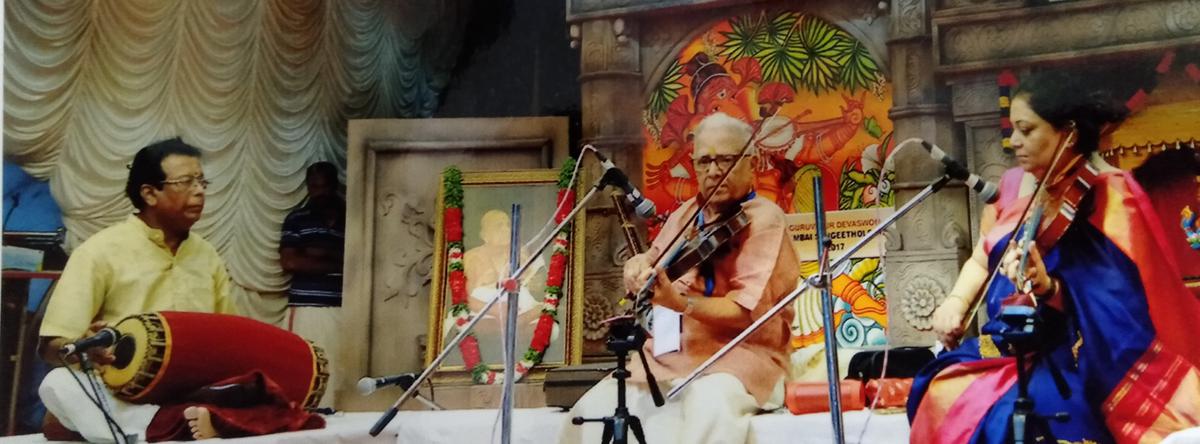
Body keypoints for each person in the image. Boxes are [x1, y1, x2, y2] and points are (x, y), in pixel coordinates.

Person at [909, 71, 1200, 443]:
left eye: (1027, 130)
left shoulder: (1111, 194)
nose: (1014, 141)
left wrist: (1048, 287)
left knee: (999, 416)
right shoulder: (1015, 185)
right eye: (1013, 129)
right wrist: (956, 301)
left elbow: (1117, 306)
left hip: (1076, 355)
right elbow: (984, 257)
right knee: (936, 384)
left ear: (1069, 132)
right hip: (1009, 343)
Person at [36, 138, 321, 442]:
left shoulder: (207, 256)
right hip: (123, 393)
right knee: (58, 383)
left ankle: (167, 425)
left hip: (195, 393)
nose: (199, 191)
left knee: (260, 389)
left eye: (201, 181)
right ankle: (161, 426)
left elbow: (230, 336)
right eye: (186, 182)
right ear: (149, 193)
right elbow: (52, 346)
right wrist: (86, 349)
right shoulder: (99, 252)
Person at [559, 112, 801, 444]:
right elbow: (654, 262)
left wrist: (680, 304)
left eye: (726, 160)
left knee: (708, 405)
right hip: (671, 356)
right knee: (590, 412)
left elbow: (746, 313)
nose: (714, 171)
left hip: (740, 356)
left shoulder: (764, 220)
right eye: (705, 162)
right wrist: (639, 265)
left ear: (751, 163)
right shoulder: (687, 213)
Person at [279, 161, 345, 408]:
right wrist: (336, 263)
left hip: (342, 307)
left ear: (334, 185)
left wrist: (318, 255)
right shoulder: (297, 219)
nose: (319, 192)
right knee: (307, 369)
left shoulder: (350, 217)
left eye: (324, 186)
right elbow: (290, 262)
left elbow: (358, 261)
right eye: (313, 186)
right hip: (307, 306)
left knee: (339, 371)